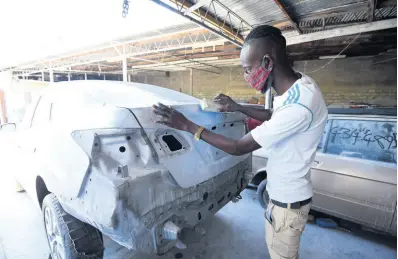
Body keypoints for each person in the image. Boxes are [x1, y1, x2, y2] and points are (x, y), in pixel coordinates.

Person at [152, 25, 328, 259]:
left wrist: (187, 125)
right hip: (286, 197)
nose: (246, 77)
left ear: (267, 62)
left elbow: (239, 147)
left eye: (247, 69)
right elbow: (274, 115)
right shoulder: (297, 87)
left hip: (287, 204)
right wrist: (237, 107)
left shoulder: (299, 105)